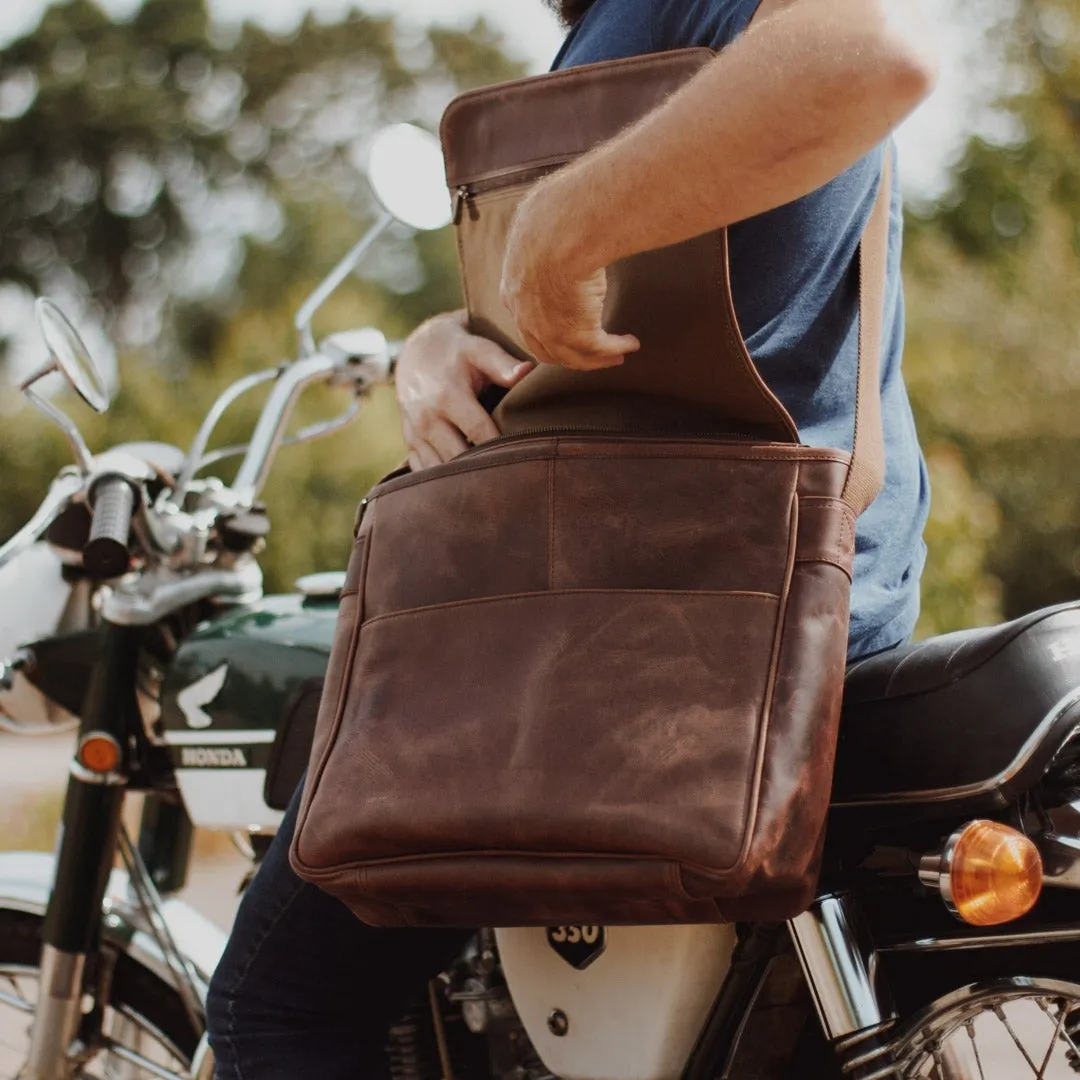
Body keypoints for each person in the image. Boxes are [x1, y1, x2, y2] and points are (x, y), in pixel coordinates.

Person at [205, 1, 937, 1076]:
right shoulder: (617, 26)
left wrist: (565, 222)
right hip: (708, 613)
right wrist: (439, 343)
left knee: (279, 1005)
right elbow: (626, 341)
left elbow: (870, 54)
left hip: (670, 634)